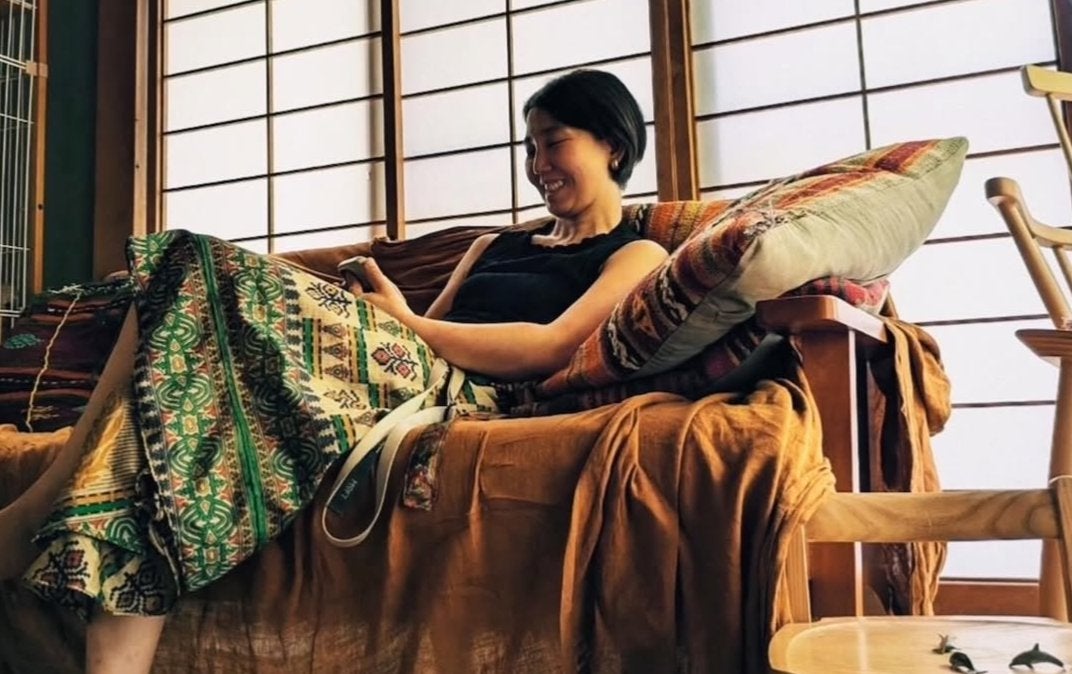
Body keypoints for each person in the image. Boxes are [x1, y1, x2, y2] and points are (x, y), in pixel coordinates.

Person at [0, 68, 667, 673]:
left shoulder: (636, 254)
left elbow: (552, 345)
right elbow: (428, 323)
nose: (538, 165)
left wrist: (405, 325)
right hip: (405, 357)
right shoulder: (495, 245)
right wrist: (391, 309)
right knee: (174, 329)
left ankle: (39, 510)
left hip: (461, 387)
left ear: (612, 145)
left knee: (194, 261)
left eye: (553, 143)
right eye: (529, 148)